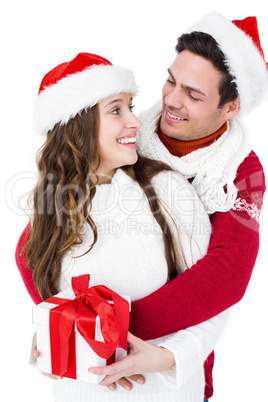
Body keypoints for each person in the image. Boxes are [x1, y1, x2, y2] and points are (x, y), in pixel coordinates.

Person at [15, 12, 267, 400]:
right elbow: (33, 247)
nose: (171, 101)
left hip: (170, 359)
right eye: (171, 81)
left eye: (194, 94)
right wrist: (64, 323)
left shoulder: (238, 172)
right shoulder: (135, 135)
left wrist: (109, 331)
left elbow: (225, 277)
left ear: (230, 108)